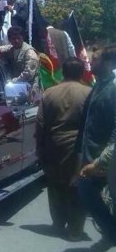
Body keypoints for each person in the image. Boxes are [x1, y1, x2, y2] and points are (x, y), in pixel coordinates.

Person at [35, 57, 91, 240]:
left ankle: (58, 223)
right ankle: (75, 230)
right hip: (80, 149)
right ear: (81, 73)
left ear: (63, 72)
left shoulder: (49, 93)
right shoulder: (88, 93)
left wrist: (39, 149)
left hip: (54, 146)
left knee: (55, 186)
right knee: (77, 189)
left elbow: (40, 124)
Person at [76, 45, 116, 252]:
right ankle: (110, 234)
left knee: (87, 190)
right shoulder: (98, 84)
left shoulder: (113, 88)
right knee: (88, 191)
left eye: (95, 59)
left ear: (108, 63)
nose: (90, 62)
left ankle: (111, 234)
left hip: (106, 157)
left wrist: (103, 160)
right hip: (92, 153)